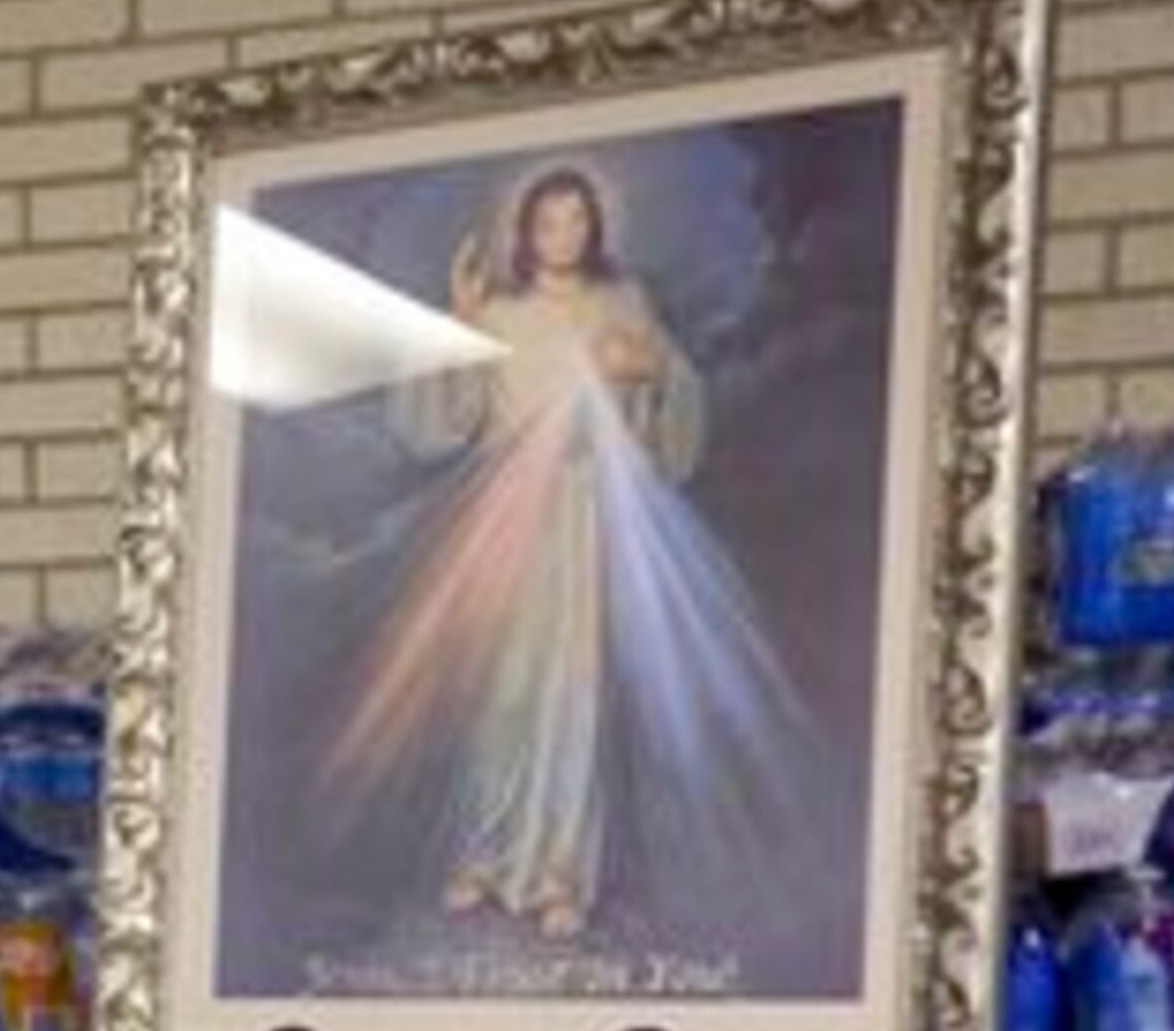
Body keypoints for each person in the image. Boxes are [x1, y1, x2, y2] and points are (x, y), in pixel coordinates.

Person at [323, 161, 811, 947]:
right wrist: (460, 322)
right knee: (502, 695)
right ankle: (486, 852)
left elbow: (674, 404)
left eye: (575, 221)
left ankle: (559, 871)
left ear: (595, 227)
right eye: (547, 223)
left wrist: (655, 372)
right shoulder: (501, 313)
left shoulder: (624, 304)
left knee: (575, 699)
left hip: (587, 518)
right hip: (506, 521)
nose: (562, 236)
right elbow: (439, 426)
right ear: (526, 232)